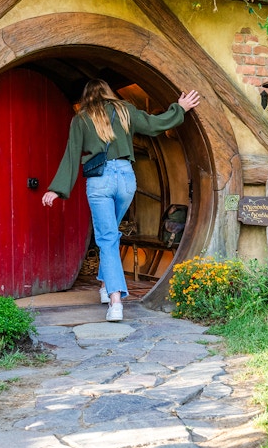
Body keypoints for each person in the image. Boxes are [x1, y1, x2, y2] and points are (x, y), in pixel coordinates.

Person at [42, 79, 200, 322]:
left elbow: (72, 156)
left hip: (100, 181)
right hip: (126, 178)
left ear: (86, 98)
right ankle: (106, 287)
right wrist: (180, 108)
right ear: (108, 92)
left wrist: (57, 189)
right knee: (111, 235)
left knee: (106, 238)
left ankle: (115, 302)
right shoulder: (126, 110)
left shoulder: (81, 119)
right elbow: (154, 125)